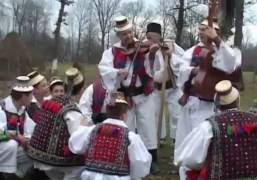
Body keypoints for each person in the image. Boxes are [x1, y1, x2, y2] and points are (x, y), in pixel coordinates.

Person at [174, 80, 257, 180]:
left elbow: (186, 159)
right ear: (238, 101)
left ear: (216, 105)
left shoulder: (209, 127)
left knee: (185, 169)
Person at [98, 16, 165, 173]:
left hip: (143, 93)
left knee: (147, 125)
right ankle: (125, 157)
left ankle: (151, 158)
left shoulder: (144, 47)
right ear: (119, 36)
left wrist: (154, 54)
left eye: (129, 33)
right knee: (125, 126)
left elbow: (155, 69)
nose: (128, 37)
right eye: (124, 35)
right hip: (123, 94)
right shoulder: (112, 52)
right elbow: (103, 69)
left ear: (132, 31)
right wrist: (116, 72)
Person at [175, 18, 242, 149]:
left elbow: (230, 65)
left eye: (207, 31)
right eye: (202, 30)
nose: (203, 33)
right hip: (190, 100)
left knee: (202, 139)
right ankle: (184, 166)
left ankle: (202, 167)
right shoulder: (192, 51)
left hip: (210, 104)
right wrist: (194, 71)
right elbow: (181, 70)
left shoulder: (226, 50)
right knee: (185, 136)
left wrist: (217, 41)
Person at [69, 92, 152, 180]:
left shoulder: (92, 130)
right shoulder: (130, 137)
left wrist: (82, 127)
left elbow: (75, 146)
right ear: (124, 115)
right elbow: (140, 163)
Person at [27, 67, 88, 180]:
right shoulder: (71, 109)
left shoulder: (51, 101)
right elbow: (77, 138)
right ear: (81, 90)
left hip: (38, 153)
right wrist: (85, 128)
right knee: (82, 165)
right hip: (53, 159)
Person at [145, 22, 185, 141]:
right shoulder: (147, 49)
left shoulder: (171, 45)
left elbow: (184, 60)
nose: (149, 39)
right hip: (156, 87)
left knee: (176, 113)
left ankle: (175, 138)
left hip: (172, 86)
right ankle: (159, 136)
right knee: (156, 112)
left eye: (151, 36)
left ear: (158, 36)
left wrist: (171, 55)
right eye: (148, 37)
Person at [0, 76, 35, 178]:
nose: (32, 98)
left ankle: (16, 175)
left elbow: (31, 127)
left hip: (14, 148)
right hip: (4, 147)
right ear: (23, 97)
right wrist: (17, 137)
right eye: (31, 95)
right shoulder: (2, 109)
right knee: (11, 145)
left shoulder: (22, 109)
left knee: (32, 153)